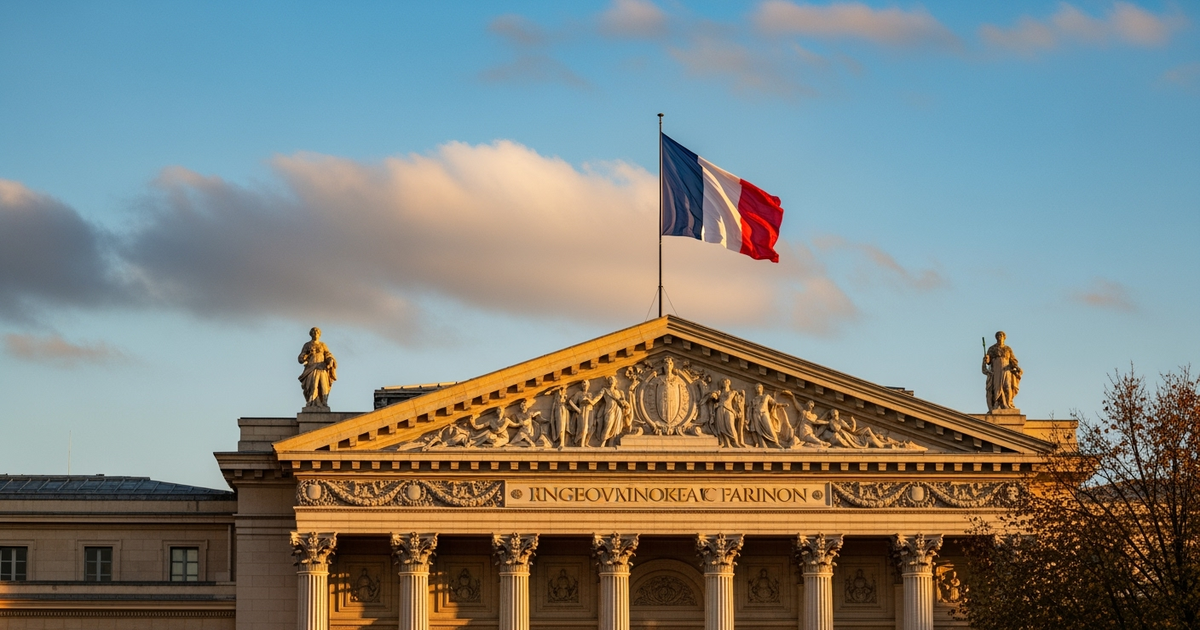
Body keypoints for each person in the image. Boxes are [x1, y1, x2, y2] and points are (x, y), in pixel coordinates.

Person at [982, 331, 1023, 411]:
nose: (1000, 336)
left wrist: (1016, 367)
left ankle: (1008, 404)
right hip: (996, 370)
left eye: (1001, 335)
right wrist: (986, 359)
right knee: (996, 388)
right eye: (998, 335)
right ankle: (996, 404)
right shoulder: (992, 349)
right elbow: (988, 361)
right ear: (996, 337)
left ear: (1004, 337)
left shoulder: (1008, 349)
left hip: (1006, 370)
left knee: (1007, 387)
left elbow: (1013, 360)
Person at [298, 327, 337, 409]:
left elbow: (328, 354)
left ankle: (324, 402)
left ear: (319, 335)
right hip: (311, 368)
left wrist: (330, 360)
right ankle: (311, 402)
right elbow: (300, 358)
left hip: (321, 367)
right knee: (312, 386)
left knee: (324, 386)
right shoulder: (307, 345)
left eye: (317, 333)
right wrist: (306, 355)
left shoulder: (323, 345)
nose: (316, 334)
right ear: (311, 334)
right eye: (314, 332)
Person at [708, 379, 746, 448]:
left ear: (729, 383)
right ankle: (725, 443)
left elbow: (738, 403)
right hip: (719, 410)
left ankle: (735, 442)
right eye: (722, 382)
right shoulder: (719, 393)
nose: (724, 383)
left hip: (729, 410)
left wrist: (742, 396)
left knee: (730, 426)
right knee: (721, 427)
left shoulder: (733, 392)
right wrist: (713, 396)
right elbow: (713, 399)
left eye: (725, 382)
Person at [747, 384, 787, 448]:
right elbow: (750, 409)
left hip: (764, 414)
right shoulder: (754, 399)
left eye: (759, 387)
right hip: (756, 415)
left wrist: (783, 405)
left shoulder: (766, 396)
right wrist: (748, 419)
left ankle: (775, 442)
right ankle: (761, 444)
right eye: (756, 388)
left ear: (762, 388)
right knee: (758, 431)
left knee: (770, 429)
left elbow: (774, 403)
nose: (758, 389)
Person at [595, 376, 630, 447]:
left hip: (618, 411)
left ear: (615, 382)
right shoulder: (605, 390)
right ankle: (603, 442)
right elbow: (597, 398)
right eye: (610, 380)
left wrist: (626, 404)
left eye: (612, 380)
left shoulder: (619, 392)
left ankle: (611, 443)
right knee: (608, 425)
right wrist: (591, 402)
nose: (611, 382)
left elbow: (623, 401)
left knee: (616, 428)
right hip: (609, 410)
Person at [568, 380, 599, 447]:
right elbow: (571, 402)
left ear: (588, 386)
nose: (585, 385)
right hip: (583, 412)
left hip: (590, 411)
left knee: (590, 427)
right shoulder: (579, 394)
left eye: (586, 384)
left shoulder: (590, 394)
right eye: (583, 384)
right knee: (583, 428)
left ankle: (586, 442)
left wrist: (589, 400)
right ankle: (581, 444)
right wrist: (577, 409)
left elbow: (595, 404)